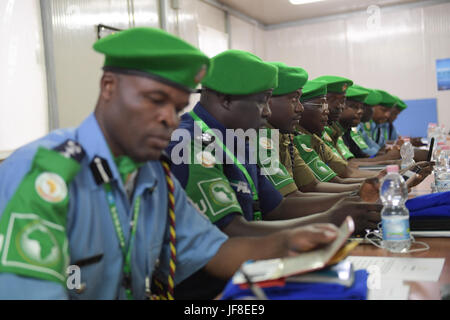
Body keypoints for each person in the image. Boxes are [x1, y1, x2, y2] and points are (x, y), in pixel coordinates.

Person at [0, 28, 343, 300]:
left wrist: (288, 244)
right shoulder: (46, 175)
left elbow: (214, 250)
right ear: (108, 87)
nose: (169, 119)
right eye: (155, 101)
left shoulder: (151, 175)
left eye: (177, 108)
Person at [167, 51, 381, 298]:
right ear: (225, 100)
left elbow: (276, 207)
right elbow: (231, 232)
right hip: (213, 289)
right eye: (262, 101)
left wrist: (338, 211)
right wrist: (327, 220)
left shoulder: (236, 139)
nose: (267, 112)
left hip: (251, 271)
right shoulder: (189, 143)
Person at [295, 81, 381, 180]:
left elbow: (345, 169)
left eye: (342, 101)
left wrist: (382, 174)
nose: (339, 106)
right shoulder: (296, 138)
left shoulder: (326, 133)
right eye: (321, 105)